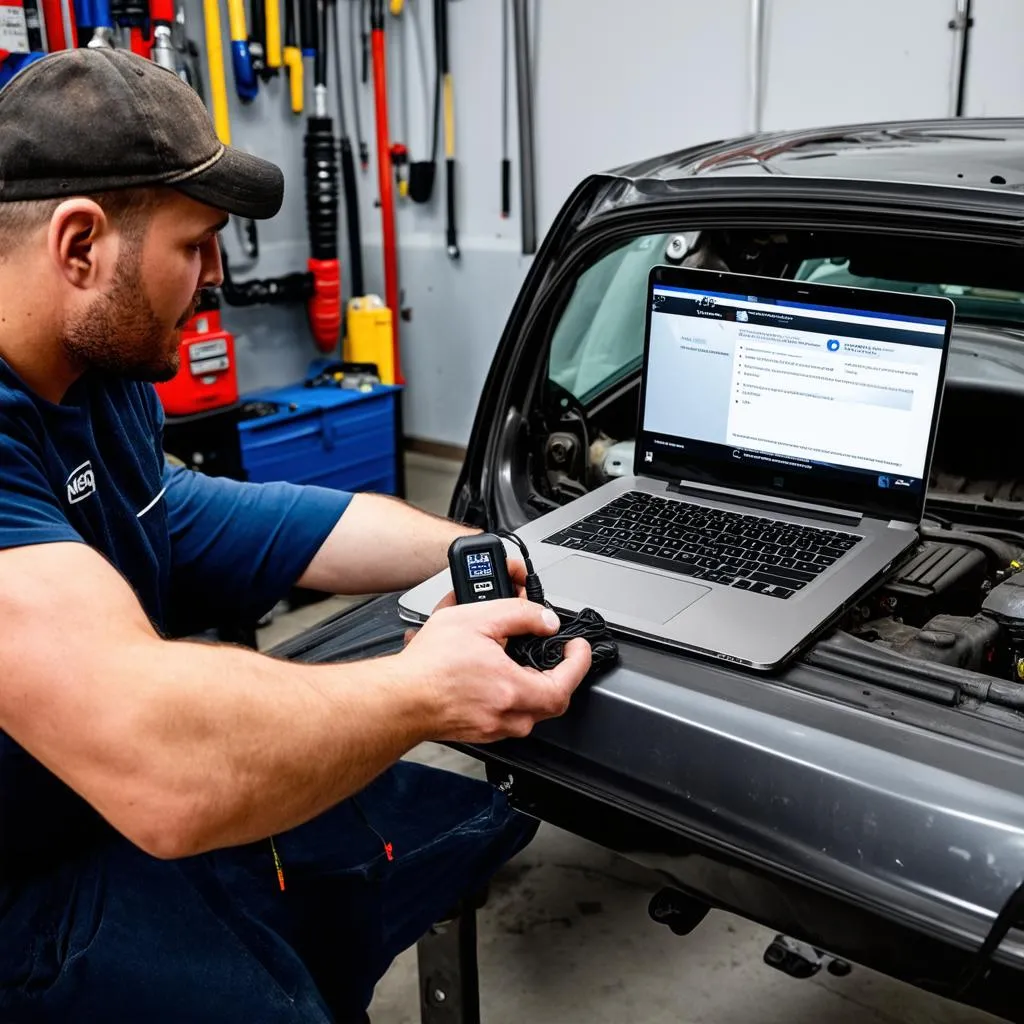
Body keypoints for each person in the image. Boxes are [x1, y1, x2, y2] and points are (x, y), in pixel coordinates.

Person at [0, 49, 592, 1022]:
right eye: (195, 244)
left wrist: (484, 546)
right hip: (29, 887)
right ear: (79, 247)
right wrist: (419, 688)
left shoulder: (93, 381)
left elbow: (197, 521)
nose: (216, 277)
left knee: (453, 824)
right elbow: (163, 769)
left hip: (83, 811)